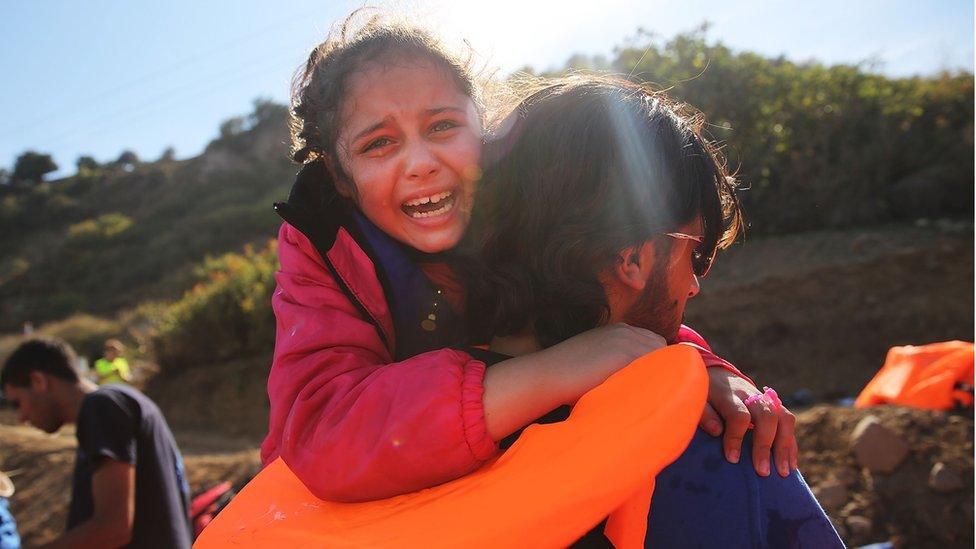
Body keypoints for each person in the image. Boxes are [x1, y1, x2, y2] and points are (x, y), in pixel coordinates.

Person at [262, 9, 792, 504]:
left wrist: (701, 367)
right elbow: (321, 431)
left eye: (443, 126)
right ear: (339, 177)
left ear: (479, 128)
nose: (422, 163)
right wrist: (553, 372)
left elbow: (610, 306)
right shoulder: (321, 248)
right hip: (335, 513)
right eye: (378, 144)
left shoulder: (513, 196)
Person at [467, 75, 842, 546]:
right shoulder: (721, 454)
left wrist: (695, 362)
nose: (694, 286)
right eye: (697, 256)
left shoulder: (404, 402)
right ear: (634, 259)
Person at [0, 337, 191, 548]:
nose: (21, 417)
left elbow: (113, 528)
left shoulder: (102, 406)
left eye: (18, 403)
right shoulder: (121, 401)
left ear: (38, 381)